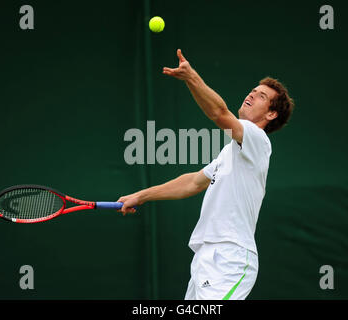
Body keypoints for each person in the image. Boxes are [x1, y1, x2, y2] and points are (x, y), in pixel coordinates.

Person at [117, 49, 295, 300]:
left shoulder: (257, 140)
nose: (252, 95)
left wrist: (191, 77)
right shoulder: (230, 153)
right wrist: (141, 195)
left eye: (261, 96)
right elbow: (192, 182)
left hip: (230, 258)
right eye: (253, 91)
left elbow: (219, 114)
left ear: (271, 114)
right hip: (206, 258)